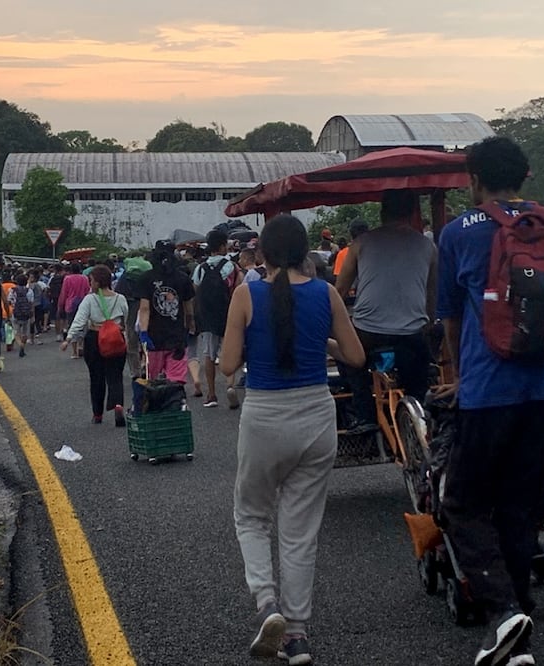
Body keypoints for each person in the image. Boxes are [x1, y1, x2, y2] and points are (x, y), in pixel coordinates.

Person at [437, 136, 544, 666]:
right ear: (526, 175)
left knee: (463, 504)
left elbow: (450, 313)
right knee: (519, 505)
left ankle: (502, 610)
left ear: (473, 180)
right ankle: (519, 632)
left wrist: (457, 372)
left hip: (489, 388)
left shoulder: (458, 233)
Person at [220, 214, 364, 666]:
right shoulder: (324, 293)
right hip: (316, 416)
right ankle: (297, 636)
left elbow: (226, 366)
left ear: (261, 253)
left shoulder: (246, 294)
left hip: (265, 414)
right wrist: (321, 344)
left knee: (251, 516)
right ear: (307, 252)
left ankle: (267, 605)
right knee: (300, 533)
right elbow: (356, 356)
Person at [335, 189, 436, 435]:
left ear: (382, 211)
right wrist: (428, 323)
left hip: (368, 332)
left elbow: (338, 293)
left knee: (346, 356)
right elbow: (431, 298)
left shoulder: (360, 244)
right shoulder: (428, 246)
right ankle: (420, 413)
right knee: (421, 371)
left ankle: (364, 414)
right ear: (413, 212)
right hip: (412, 333)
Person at [61, 265, 129, 425]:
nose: (90, 284)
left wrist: (69, 338)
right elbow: (126, 318)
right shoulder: (120, 298)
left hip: (95, 338)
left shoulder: (90, 299)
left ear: (97, 282)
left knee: (96, 377)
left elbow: (80, 320)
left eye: (91, 280)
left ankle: (97, 414)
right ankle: (118, 404)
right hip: (116, 339)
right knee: (115, 376)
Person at [192, 229, 243, 409]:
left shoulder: (200, 268)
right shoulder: (231, 267)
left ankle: (212, 394)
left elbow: (196, 291)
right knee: (230, 351)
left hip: (207, 318)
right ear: (223, 246)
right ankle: (230, 386)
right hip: (228, 315)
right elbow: (239, 289)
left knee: (209, 354)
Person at [137, 242, 195, 382]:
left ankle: (156, 403)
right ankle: (176, 403)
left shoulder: (146, 278)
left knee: (153, 381)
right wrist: (190, 328)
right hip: (177, 338)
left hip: (153, 337)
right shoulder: (182, 278)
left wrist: (143, 333)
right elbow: (188, 309)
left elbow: (144, 309)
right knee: (176, 380)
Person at [59, 262, 91, 358]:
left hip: (70, 304)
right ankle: (81, 345)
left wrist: (61, 305)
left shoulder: (67, 279)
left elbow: (64, 293)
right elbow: (88, 291)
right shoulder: (84, 278)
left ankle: (74, 351)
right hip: (83, 304)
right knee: (82, 325)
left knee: (72, 326)